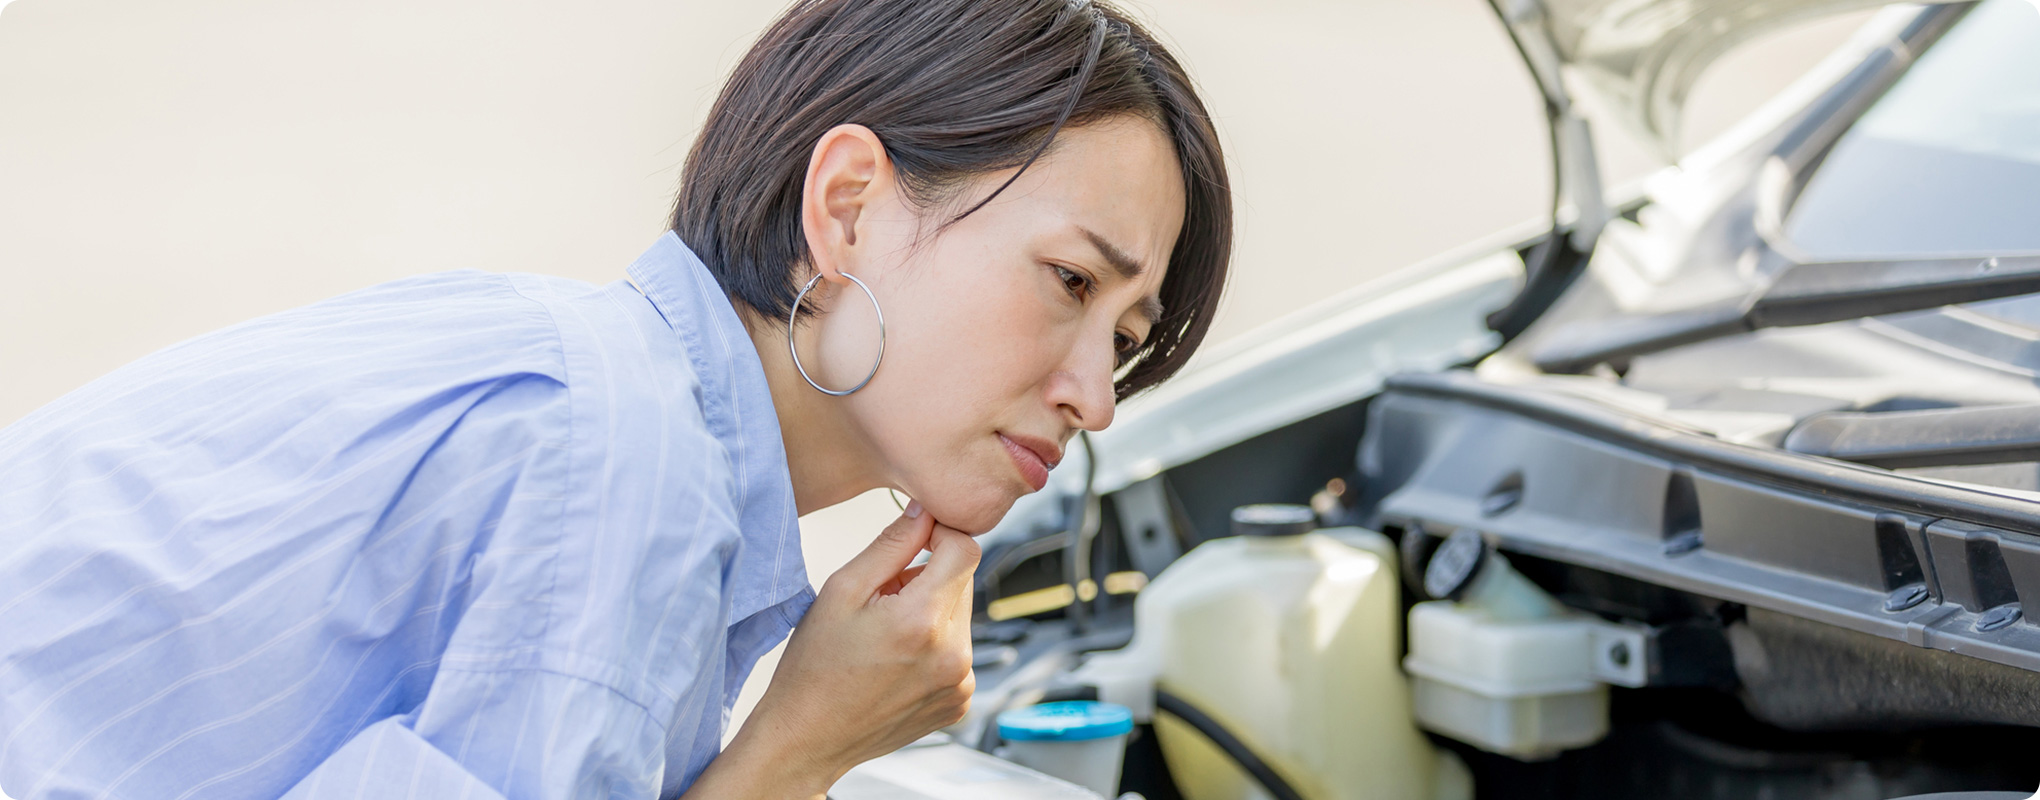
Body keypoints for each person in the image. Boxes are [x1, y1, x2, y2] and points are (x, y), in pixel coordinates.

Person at [0, 0, 1230, 796]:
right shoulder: (626, 474)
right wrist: (800, 747)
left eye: (1125, 337)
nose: (1096, 397)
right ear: (848, 205)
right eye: (1068, 280)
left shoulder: (585, 369)